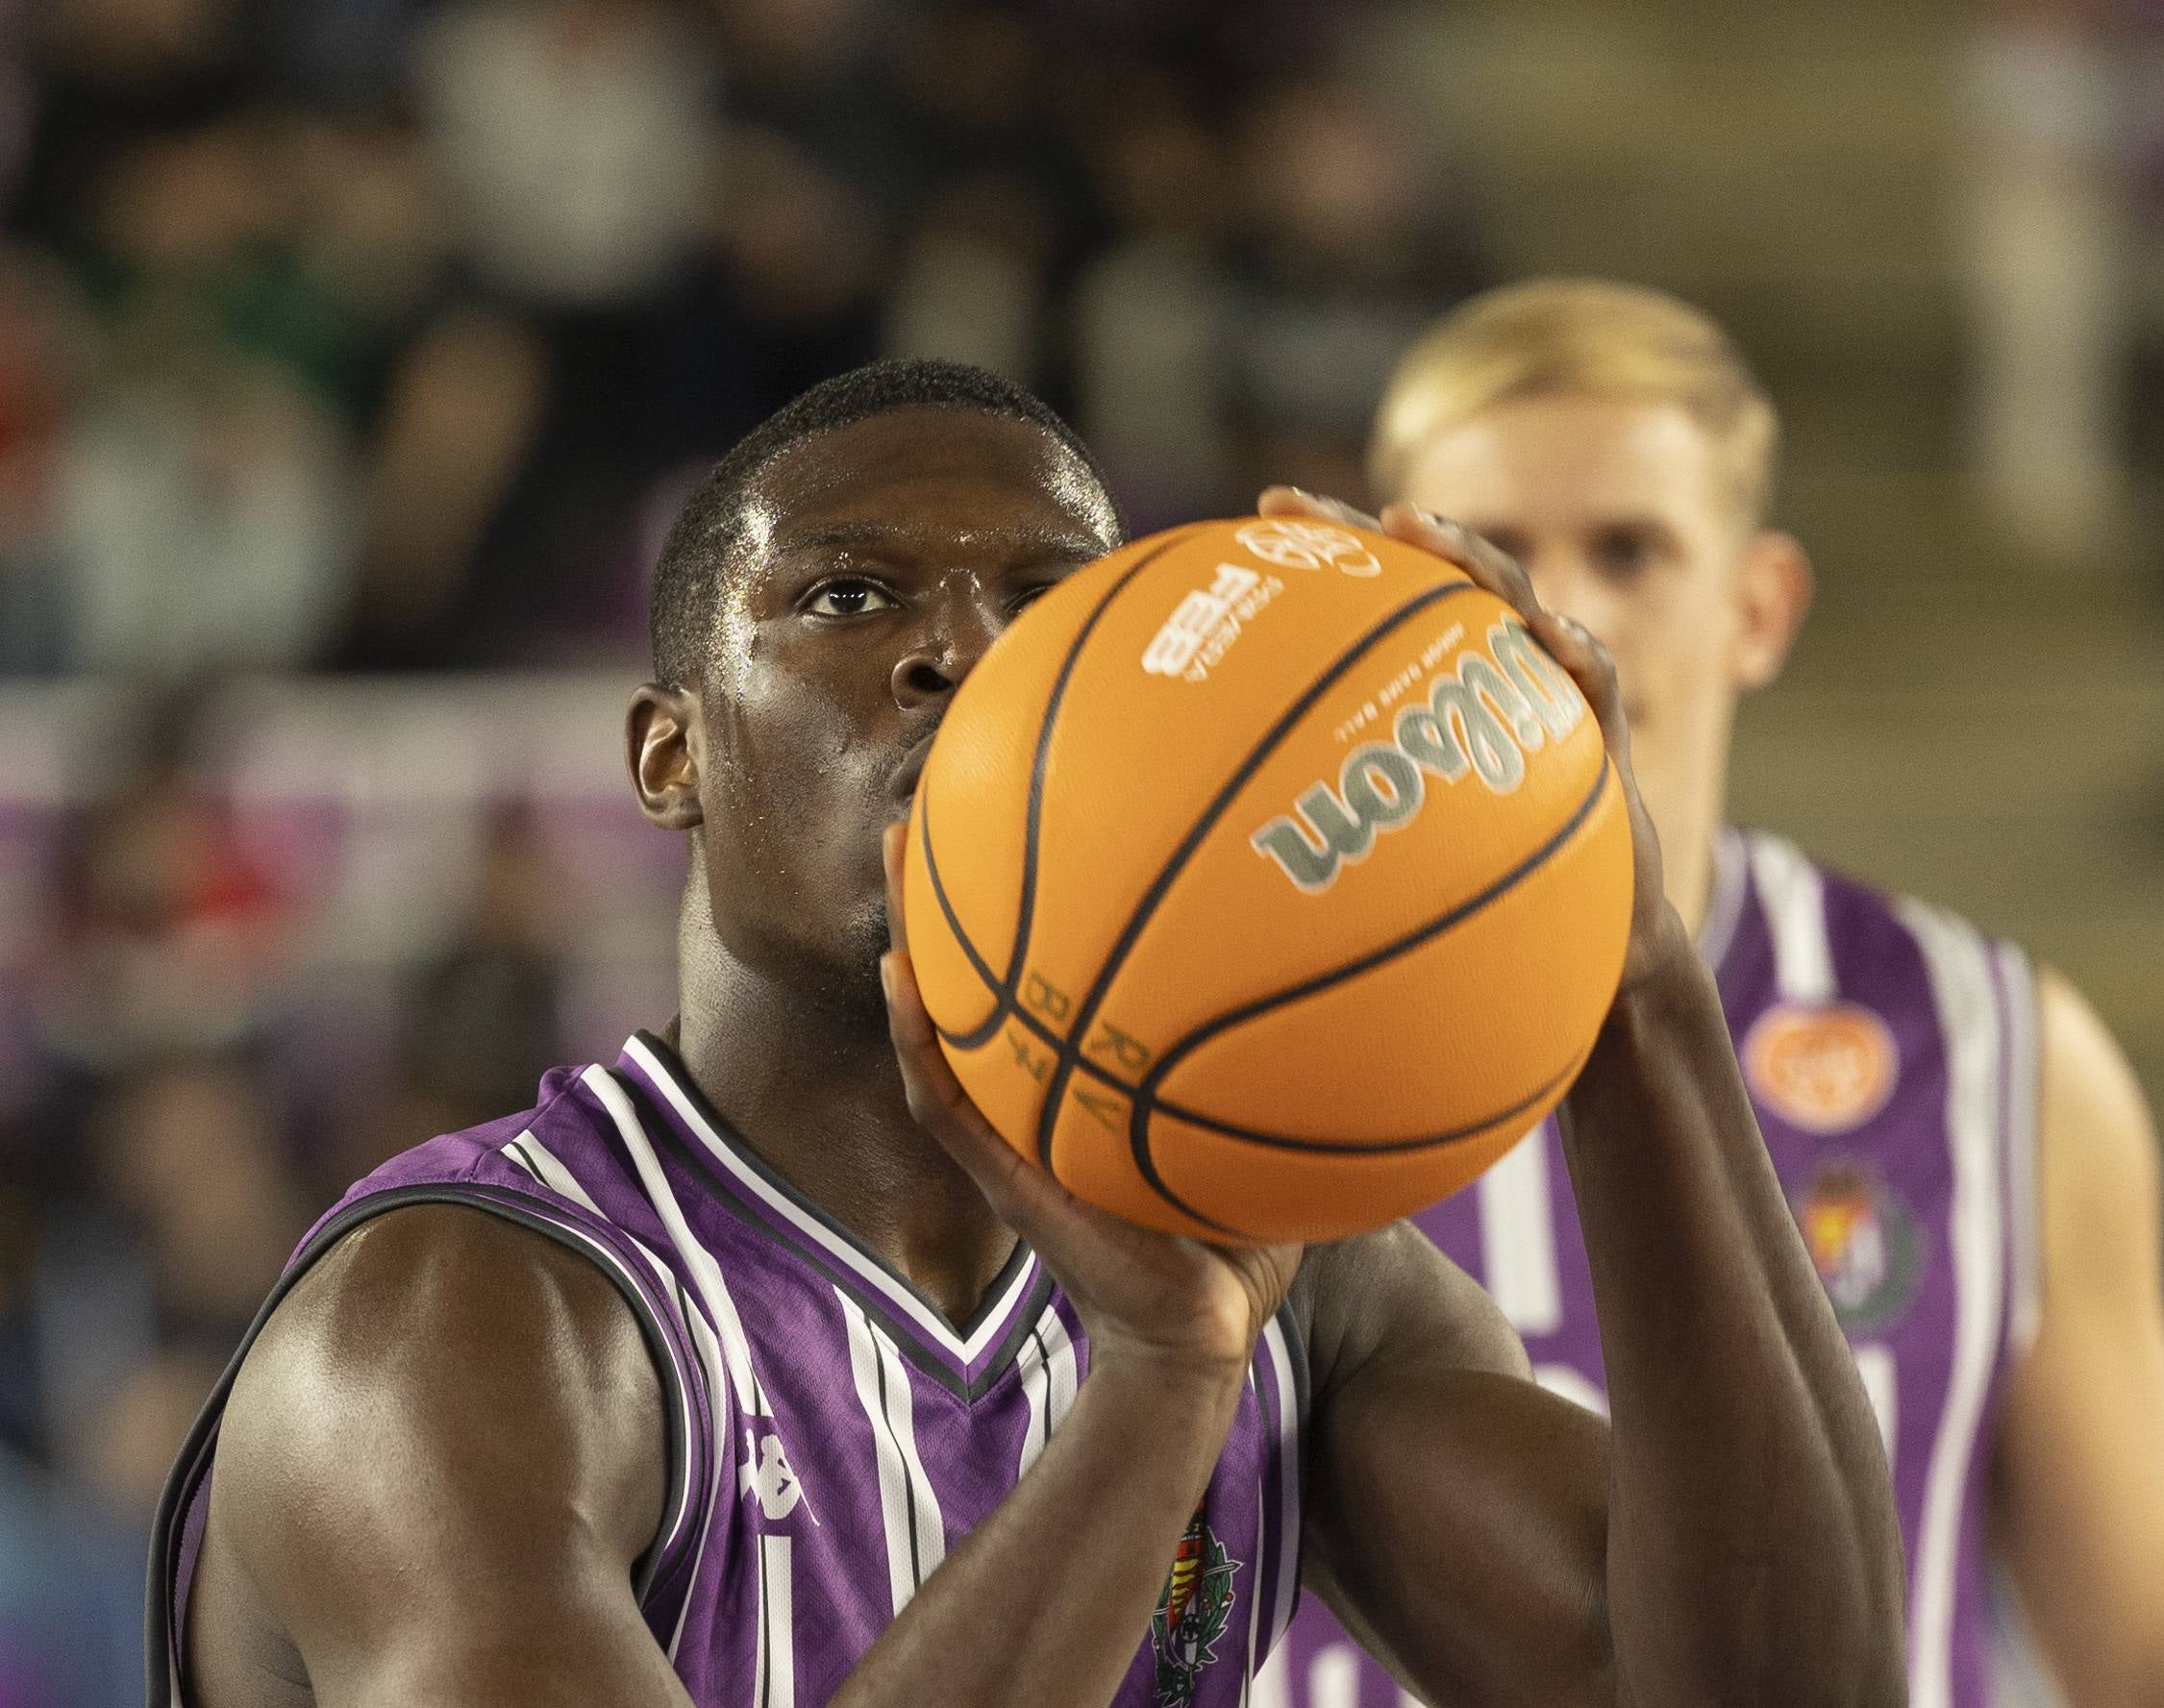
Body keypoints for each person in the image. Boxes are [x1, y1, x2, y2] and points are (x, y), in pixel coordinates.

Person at [146, 359, 1903, 1708]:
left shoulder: (1311, 1283)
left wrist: (1633, 994)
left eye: (1049, 604)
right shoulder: (453, 1327)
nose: (964, 651)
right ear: (667, 755)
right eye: (847, 598)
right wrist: (1154, 1391)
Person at [1272, 281, 2164, 1708]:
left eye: (1631, 547)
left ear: (1759, 607)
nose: (1561, 607)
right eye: (1490, 551)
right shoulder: (1207, 1035)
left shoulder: (1996, 1051)